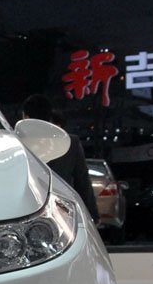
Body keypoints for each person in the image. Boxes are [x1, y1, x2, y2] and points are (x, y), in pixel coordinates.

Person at [21, 94, 99, 223]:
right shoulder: (71, 142)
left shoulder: (19, 143)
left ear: (26, 117)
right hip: (64, 211)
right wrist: (93, 215)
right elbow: (82, 181)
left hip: (28, 211)